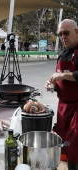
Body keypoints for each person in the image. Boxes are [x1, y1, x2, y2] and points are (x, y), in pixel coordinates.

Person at [45, 19, 78, 170]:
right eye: (60, 34)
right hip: (63, 109)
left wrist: (63, 76)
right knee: (65, 144)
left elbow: (66, 75)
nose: (63, 37)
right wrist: (53, 84)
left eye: (66, 33)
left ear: (77, 32)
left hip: (77, 108)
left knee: (75, 148)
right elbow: (61, 78)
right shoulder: (63, 54)